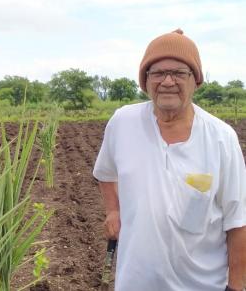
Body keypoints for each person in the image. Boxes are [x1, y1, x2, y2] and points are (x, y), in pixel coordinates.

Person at [93, 29, 246, 291]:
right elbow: (105, 173)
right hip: (134, 282)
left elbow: (237, 222)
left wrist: (236, 287)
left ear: (196, 80)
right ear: (145, 80)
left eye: (178, 73)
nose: (167, 81)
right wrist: (113, 210)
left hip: (202, 285)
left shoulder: (221, 138)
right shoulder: (123, 122)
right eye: (157, 73)